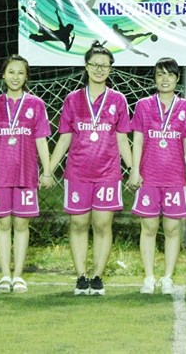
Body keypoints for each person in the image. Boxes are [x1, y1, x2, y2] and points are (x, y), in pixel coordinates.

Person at [48, 42, 133, 296]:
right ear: (86, 67)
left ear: (110, 69)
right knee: (78, 223)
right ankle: (81, 276)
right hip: (77, 173)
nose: (99, 69)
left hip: (108, 174)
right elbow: (64, 138)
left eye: (104, 66)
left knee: (103, 224)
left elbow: (122, 139)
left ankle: (97, 276)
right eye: (95, 65)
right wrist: (48, 169)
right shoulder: (72, 99)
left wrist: (133, 168)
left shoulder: (118, 100)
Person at [0, 55, 52, 293]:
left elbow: (41, 140)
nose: (15, 77)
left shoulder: (36, 104)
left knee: (21, 223)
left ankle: (18, 275)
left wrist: (47, 170)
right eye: (11, 72)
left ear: (26, 76)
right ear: (3, 75)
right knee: (3, 223)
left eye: (20, 72)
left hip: (26, 174)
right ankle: (4, 275)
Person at [128, 57, 186, 294]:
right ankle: (149, 277)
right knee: (148, 227)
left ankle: (167, 277)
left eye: (169, 75)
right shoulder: (143, 105)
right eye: (160, 74)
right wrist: (135, 170)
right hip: (149, 177)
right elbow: (137, 141)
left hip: (175, 178)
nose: (165, 79)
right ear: (155, 78)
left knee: (172, 229)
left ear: (177, 79)